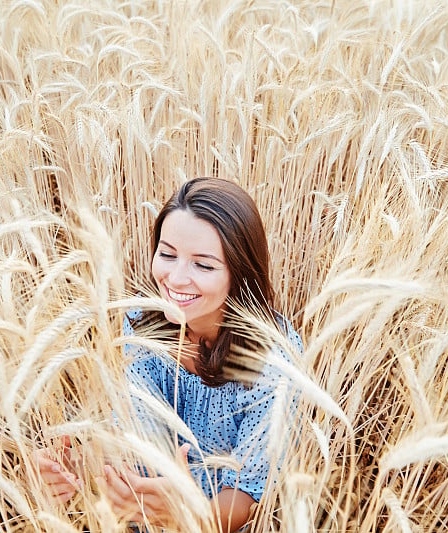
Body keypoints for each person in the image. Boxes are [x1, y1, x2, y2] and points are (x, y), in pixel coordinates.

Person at [35, 178, 303, 532]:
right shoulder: (141, 327)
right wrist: (76, 467)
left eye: (203, 265)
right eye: (167, 254)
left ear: (239, 272)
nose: (175, 279)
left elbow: (249, 494)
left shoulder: (273, 357)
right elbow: (133, 438)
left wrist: (184, 516)